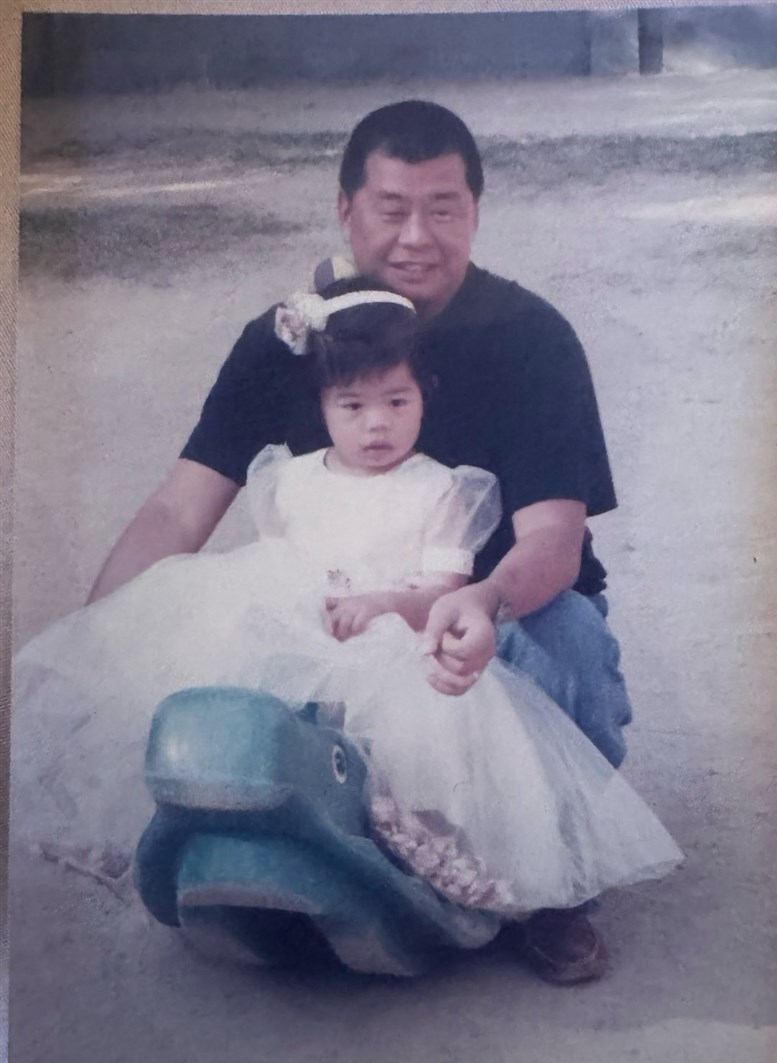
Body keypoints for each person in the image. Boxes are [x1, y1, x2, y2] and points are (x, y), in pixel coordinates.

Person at [82, 100, 635, 983]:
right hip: (335, 615)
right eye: (391, 207)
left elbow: (554, 542)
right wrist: (101, 637)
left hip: (490, 611)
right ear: (346, 209)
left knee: (563, 638)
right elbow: (178, 512)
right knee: (220, 666)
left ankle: (548, 885)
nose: (417, 235)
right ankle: (308, 860)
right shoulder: (288, 341)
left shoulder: (534, 340)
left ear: (477, 211)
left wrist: (480, 601)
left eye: (444, 208)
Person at [12, 284, 680, 931]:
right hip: (305, 638)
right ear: (322, 405)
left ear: (425, 396)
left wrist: (384, 601)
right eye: (353, 405)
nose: (377, 422)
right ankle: (244, 848)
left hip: (392, 643)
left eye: (397, 400)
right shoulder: (292, 478)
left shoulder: (443, 490)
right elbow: (265, 557)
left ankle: (444, 874)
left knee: (417, 751)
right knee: (221, 674)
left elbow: (442, 590)